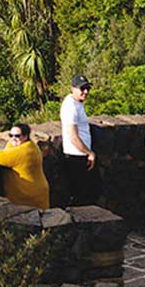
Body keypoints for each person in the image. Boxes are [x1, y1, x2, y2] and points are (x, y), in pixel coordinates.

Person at [59, 73, 98, 206]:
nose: (86, 92)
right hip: (75, 156)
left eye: (88, 88)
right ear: (72, 88)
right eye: (82, 89)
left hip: (79, 155)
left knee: (85, 193)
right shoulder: (70, 106)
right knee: (79, 195)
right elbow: (73, 136)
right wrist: (89, 153)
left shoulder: (77, 102)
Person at [0, 122, 49, 209]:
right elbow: (9, 148)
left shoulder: (25, 152)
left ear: (25, 136)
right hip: (35, 191)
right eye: (11, 135)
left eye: (17, 136)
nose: (13, 138)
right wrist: (13, 142)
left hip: (30, 196)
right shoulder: (30, 145)